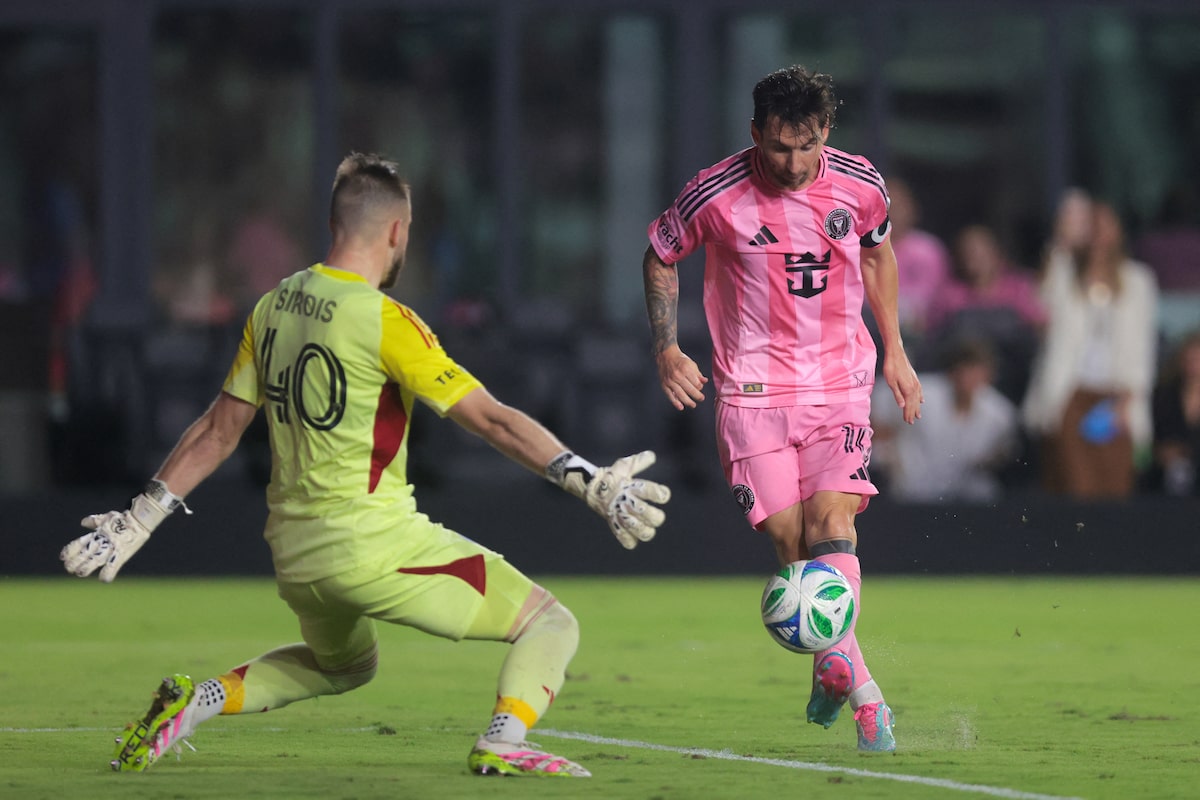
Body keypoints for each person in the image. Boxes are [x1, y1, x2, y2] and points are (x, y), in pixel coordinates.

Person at [60, 152, 671, 778]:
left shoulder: (274, 306)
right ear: (398, 232)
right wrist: (589, 481)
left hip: (295, 552)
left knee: (345, 667)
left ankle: (197, 701)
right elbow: (489, 419)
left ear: (334, 224)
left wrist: (139, 519)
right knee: (550, 623)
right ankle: (504, 741)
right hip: (372, 545)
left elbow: (218, 431)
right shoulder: (385, 320)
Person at [640, 65, 922, 753]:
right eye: (777, 148)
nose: (793, 164)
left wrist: (895, 350)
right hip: (750, 394)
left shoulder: (860, 184)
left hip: (838, 384)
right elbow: (659, 255)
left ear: (826, 131)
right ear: (754, 136)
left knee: (833, 524)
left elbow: (879, 257)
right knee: (793, 549)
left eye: (805, 146)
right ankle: (840, 672)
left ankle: (865, 701)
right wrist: (668, 348)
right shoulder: (716, 193)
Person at [1022, 200, 1158, 499]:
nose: (1097, 235)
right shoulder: (1064, 274)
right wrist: (1062, 242)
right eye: (1090, 227)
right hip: (1070, 395)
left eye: (1104, 226)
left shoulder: (1139, 281)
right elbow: (1041, 309)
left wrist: (1130, 396)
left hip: (1116, 398)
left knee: (1114, 488)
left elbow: (1142, 348)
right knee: (1073, 487)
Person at [871, 337, 1018, 503]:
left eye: (977, 370)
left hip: (965, 497)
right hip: (912, 492)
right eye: (966, 369)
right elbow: (880, 406)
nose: (971, 378)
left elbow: (1001, 452)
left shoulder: (999, 413)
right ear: (952, 372)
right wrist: (889, 455)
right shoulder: (920, 394)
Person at [1146, 329, 1200, 496]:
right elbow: (1148, 438)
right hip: (1165, 480)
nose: (1193, 365)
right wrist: (1162, 452)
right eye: (1189, 359)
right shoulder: (1163, 396)